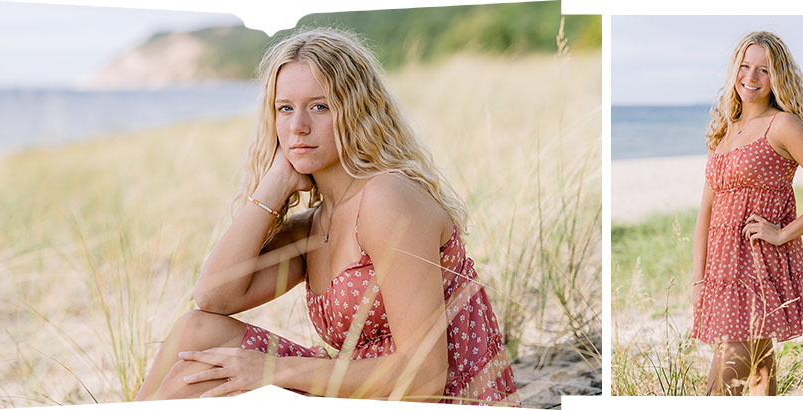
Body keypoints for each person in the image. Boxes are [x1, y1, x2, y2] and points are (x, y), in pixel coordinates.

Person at [134, 28, 519, 405]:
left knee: (199, 386)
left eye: (319, 106)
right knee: (197, 331)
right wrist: (275, 182)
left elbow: (426, 379)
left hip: (440, 398)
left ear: (357, 111)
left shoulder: (387, 198)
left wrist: (274, 370)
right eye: (285, 109)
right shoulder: (316, 225)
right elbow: (213, 297)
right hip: (365, 392)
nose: (298, 127)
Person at [691, 31, 803, 396]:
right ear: (734, 72)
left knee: (719, 391)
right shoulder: (725, 131)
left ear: (777, 77)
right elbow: (706, 212)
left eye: (764, 70)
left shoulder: (784, 125)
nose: (751, 77)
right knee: (761, 374)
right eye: (745, 67)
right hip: (722, 272)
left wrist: (782, 233)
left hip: (759, 269)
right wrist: (698, 281)